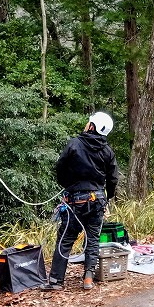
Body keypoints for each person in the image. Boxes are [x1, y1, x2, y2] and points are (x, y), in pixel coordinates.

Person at [43, 112, 119, 291]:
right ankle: (88, 278)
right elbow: (113, 178)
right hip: (97, 199)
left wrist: (68, 186)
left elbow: (60, 167)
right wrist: (107, 196)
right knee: (92, 239)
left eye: (89, 122)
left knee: (66, 238)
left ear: (92, 126)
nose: (86, 124)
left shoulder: (75, 144)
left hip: (75, 200)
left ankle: (56, 281)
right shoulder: (107, 151)